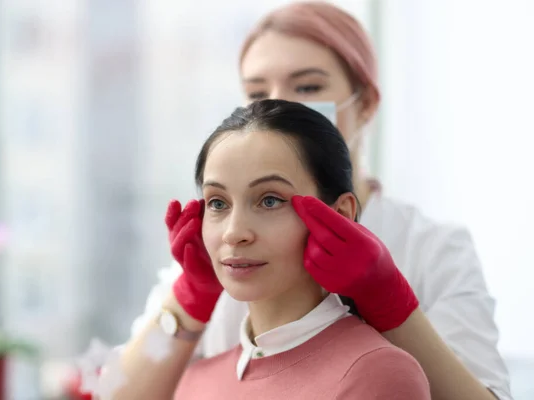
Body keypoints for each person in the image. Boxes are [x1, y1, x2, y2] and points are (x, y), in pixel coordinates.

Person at [114, 2, 511, 400]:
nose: (279, 105)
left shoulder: (432, 249)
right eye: (256, 92)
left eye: (307, 87)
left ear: (367, 102)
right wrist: (187, 302)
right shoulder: (225, 246)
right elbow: (117, 392)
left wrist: (391, 308)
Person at [173, 99, 430, 399]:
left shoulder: (377, 375)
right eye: (218, 203)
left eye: (270, 200)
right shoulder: (196, 381)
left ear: (341, 215)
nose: (234, 233)